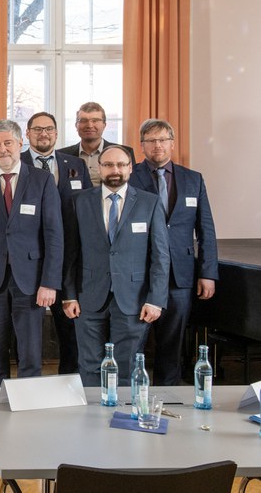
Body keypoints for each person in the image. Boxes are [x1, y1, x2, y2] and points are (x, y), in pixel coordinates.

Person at [0, 119, 63, 387]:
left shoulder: (42, 180)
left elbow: (54, 235)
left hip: (31, 281)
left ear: (20, 143)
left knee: (30, 354)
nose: (3, 149)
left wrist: (49, 283)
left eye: (8, 143)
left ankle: (28, 405)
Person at [63, 145, 170, 385]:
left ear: (130, 168)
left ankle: (122, 409)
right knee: (89, 365)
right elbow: (70, 253)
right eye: (109, 165)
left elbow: (160, 256)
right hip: (88, 297)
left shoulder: (149, 203)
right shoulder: (79, 202)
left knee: (126, 366)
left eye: (121, 165)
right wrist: (68, 295)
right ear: (99, 168)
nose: (115, 170)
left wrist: (156, 299)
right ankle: (92, 410)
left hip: (134, 299)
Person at [130, 119, 218, 385]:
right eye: (151, 140)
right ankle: (132, 395)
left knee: (172, 344)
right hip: (139, 275)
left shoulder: (193, 179)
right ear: (142, 145)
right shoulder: (129, 176)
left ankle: (168, 396)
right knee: (135, 343)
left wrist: (208, 273)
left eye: (163, 140)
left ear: (172, 143)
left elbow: (206, 229)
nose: (157, 145)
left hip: (180, 277)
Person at [22, 111, 92, 375]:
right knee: (27, 333)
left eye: (49, 129)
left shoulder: (75, 165)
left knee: (69, 329)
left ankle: (68, 383)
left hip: (68, 259)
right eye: (37, 129)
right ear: (27, 133)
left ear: (56, 133)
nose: (44, 134)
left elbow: (87, 209)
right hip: (28, 259)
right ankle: (28, 385)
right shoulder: (17, 163)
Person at [56, 102, 135, 186]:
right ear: (76, 125)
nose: (89, 125)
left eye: (95, 120)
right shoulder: (61, 155)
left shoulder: (124, 153)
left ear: (104, 125)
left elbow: (131, 186)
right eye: (83, 121)